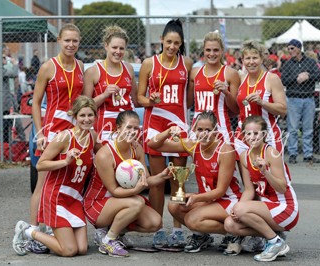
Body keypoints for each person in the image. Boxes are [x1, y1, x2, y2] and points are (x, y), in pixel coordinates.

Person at [12, 95, 99, 257]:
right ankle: (28, 232)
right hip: (57, 197)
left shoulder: (93, 137)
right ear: (74, 116)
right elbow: (40, 164)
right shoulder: (64, 137)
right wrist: (65, 161)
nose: (86, 119)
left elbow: (104, 155)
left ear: (95, 116)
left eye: (90, 115)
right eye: (82, 115)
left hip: (75, 199)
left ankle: (56, 234)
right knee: (69, 250)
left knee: (82, 249)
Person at [148, 111, 242, 253]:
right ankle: (202, 236)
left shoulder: (225, 151)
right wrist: (168, 132)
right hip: (209, 200)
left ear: (216, 131)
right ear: (194, 130)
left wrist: (195, 197)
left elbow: (220, 191)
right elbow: (153, 145)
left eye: (208, 130)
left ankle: (235, 233)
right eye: (200, 130)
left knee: (193, 220)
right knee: (174, 205)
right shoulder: (192, 146)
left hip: (228, 199)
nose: (203, 134)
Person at [83, 110, 172, 257]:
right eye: (128, 127)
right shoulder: (105, 154)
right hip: (98, 204)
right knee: (137, 203)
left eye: (136, 128)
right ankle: (109, 240)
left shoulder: (136, 148)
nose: (132, 132)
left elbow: (147, 180)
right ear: (118, 128)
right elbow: (114, 190)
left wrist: (162, 176)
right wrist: (136, 190)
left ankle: (118, 231)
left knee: (155, 223)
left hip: (124, 200)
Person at [29, 23, 85, 253]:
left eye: (75, 41)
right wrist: (40, 133)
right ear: (59, 41)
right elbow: (35, 102)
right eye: (67, 40)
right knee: (43, 185)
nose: (71, 45)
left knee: (66, 182)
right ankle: (32, 229)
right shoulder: (48, 67)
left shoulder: (81, 65)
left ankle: (56, 226)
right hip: (53, 133)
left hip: (73, 134)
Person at [137, 18, 193, 248]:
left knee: (179, 180)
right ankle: (158, 228)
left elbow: (189, 99)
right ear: (161, 40)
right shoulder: (149, 63)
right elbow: (138, 97)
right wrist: (150, 100)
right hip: (155, 126)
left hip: (179, 124)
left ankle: (178, 229)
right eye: (168, 42)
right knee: (158, 182)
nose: (172, 46)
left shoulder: (187, 63)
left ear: (181, 43)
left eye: (176, 43)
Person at [224, 115, 299, 262]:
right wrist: (236, 209)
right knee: (230, 224)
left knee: (240, 210)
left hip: (285, 207)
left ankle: (274, 242)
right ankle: (275, 237)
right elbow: (249, 190)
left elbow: (282, 187)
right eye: (248, 133)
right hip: (266, 207)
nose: (252, 137)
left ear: (264, 134)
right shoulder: (245, 156)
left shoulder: (271, 153)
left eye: (256, 133)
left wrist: (265, 171)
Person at [83, 25, 138, 141]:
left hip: (127, 126)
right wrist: (104, 95)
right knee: (106, 158)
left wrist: (155, 99)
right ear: (106, 46)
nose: (118, 52)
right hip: (105, 127)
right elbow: (85, 107)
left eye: (122, 48)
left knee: (128, 159)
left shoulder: (129, 68)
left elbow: (136, 101)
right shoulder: (93, 71)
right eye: (114, 47)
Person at [235, 40, 287, 158]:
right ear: (242, 60)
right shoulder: (240, 79)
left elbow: (283, 110)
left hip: (267, 134)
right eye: (247, 58)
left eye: (255, 58)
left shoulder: (271, 79)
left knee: (272, 174)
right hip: (242, 135)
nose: (251, 62)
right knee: (247, 175)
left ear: (262, 59)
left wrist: (262, 102)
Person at [188, 31, 240, 145]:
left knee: (224, 161)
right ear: (203, 51)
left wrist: (226, 92)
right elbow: (187, 104)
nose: (212, 54)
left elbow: (236, 110)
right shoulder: (194, 73)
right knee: (198, 161)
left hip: (221, 128)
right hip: (197, 129)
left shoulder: (230, 73)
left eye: (216, 50)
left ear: (222, 51)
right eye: (208, 50)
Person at [281, 39, 320, 164]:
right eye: (288, 49)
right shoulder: (288, 64)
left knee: (308, 128)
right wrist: (297, 77)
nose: (290, 51)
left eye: (292, 48)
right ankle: (293, 153)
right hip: (293, 99)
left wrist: (308, 76)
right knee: (293, 128)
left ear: (299, 49)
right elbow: (284, 80)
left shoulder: (310, 62)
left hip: (308, 98)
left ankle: (308, 154)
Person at [0, 52, 19, 143]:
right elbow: (14, 74)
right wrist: (15, 64)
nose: (6, 59)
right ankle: (2, 143)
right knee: (2, 123)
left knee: (5, 123)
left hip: (2, 99)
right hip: (1, 100)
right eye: (3, 58)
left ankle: (4, 144)